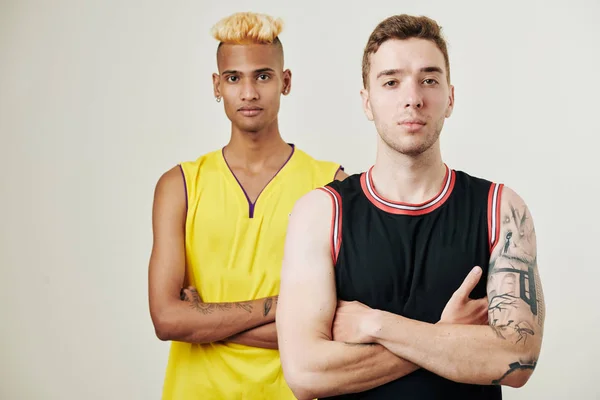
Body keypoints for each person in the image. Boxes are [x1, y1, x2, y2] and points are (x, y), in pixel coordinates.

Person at [276, 14, 545, 400]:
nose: (412, 97)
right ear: (367, 102)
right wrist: (444, 334)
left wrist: (374, 324)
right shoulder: (320, 214)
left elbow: (517, 359)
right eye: (391, 81)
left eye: (429, 79)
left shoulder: (501, 210)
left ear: (450, 98)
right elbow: (305, 373)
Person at [147, 12, 349, 400]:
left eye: (263, 75)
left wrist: (205, 321)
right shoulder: (179, 186)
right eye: (234, 78)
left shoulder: (332, 185)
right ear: (216, 86)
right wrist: (283, 306)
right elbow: (168, 319)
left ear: (284, 82)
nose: (249, 93)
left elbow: (338, 325)